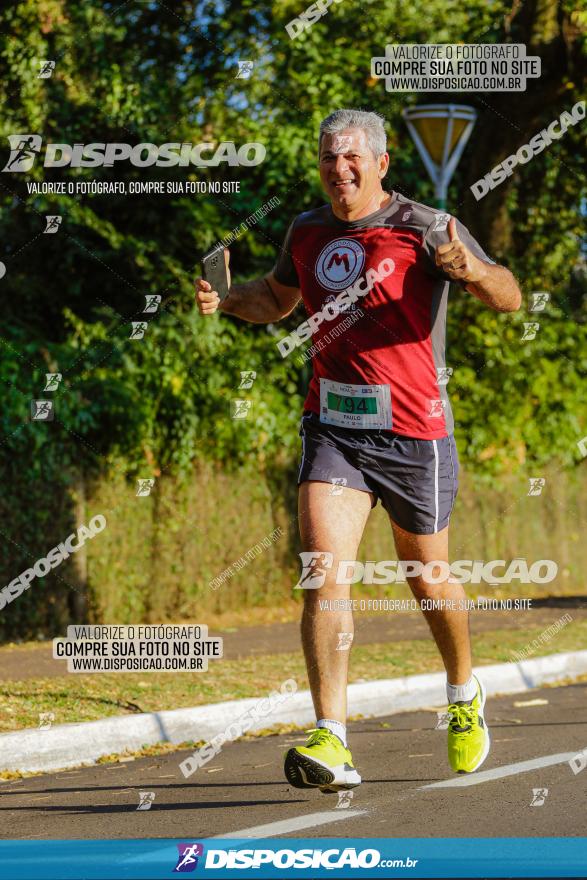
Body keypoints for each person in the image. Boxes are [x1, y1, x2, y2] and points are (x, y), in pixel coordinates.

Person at [195, 108, 521, 792]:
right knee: (321, 571)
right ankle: (331, 740)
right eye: (326, 160)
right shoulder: (307, 231)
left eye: (350, 159)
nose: (338, 170)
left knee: (427, 579)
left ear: (379, 163)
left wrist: (469, 271)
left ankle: (463, 694)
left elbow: (509, 295)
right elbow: (276, 301)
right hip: (333, 427)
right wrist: (225, 299)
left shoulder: (426, 226)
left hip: (414, 432)